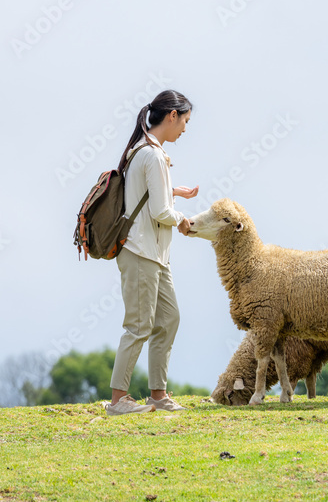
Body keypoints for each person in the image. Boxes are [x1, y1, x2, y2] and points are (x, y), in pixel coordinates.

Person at [105, 90, 199, 416]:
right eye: (185, 121)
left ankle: (158, 394)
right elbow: (160, 211)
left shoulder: (143, 150)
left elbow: (146, 193)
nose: (185, 128)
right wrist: (183, 220)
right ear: (172, 115)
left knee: (168, 319)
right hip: (141, 251)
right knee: (138, 326)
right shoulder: (153, 155)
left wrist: (173, 190)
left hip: (154, 254)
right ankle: (118, 400)